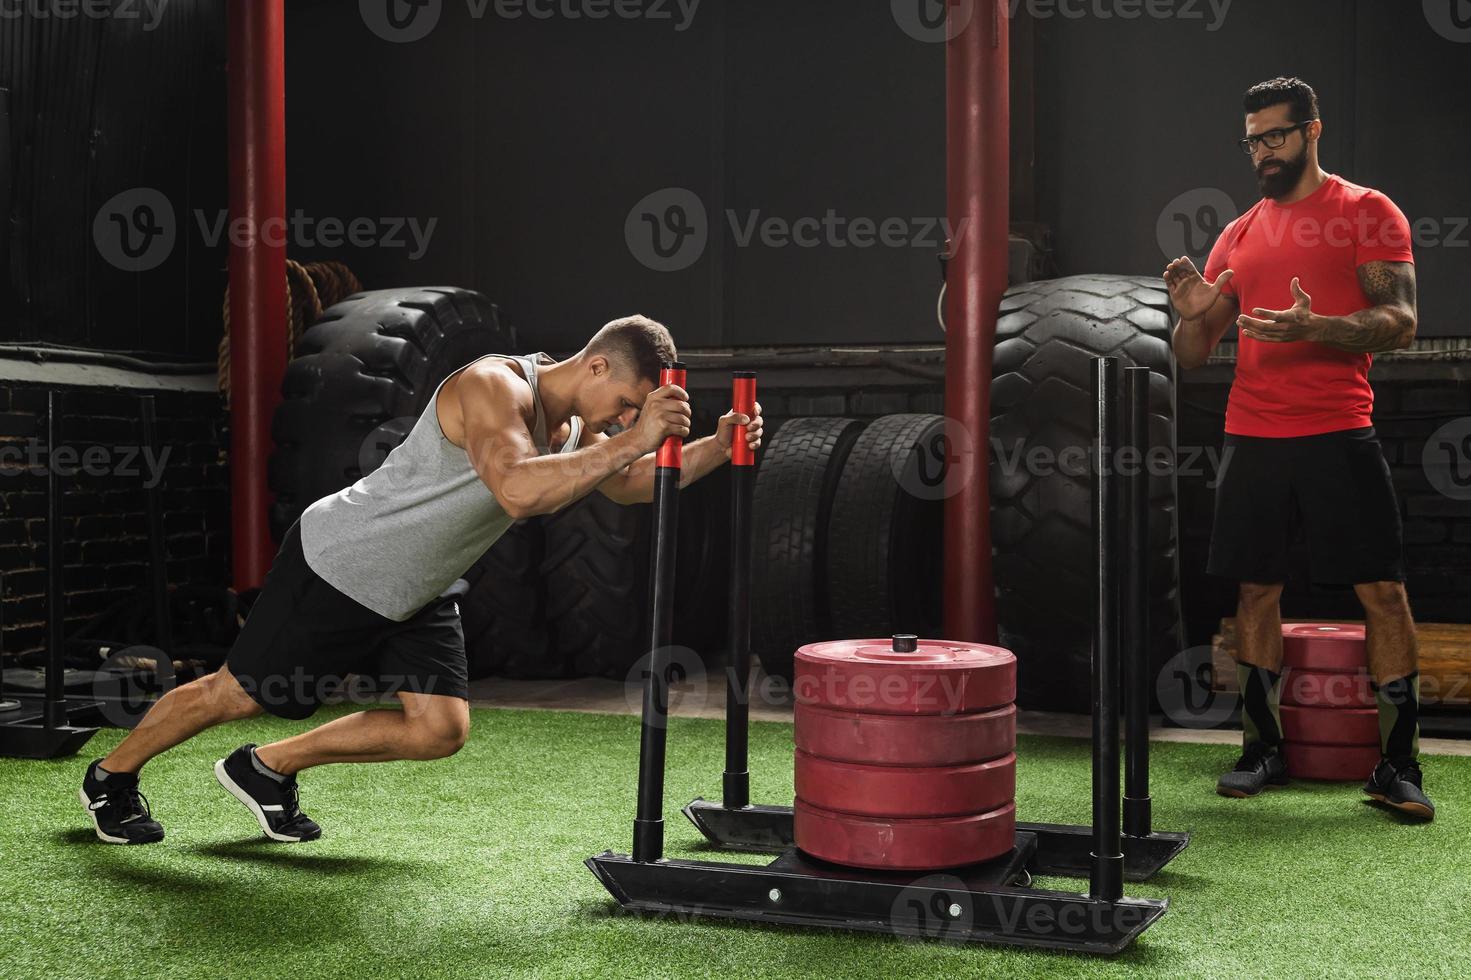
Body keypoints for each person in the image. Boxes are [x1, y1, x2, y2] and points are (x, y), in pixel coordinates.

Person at [78, 315, 764, 843]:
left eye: (633, 413)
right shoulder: (494, 386)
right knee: (236, 694)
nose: (626, 418)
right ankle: (110, 776)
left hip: (421, 586)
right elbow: (518, 491)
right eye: (627, 402)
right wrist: (636, 436)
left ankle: (265, 767)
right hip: (344, 564)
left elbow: (628, 483)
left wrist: (717, 445)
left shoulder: (577, 419)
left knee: (439, 728)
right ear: (597, 364)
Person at [1164, 77, 1431, 819]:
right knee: (1255, 591)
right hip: (1252, 435)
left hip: (1338, 429)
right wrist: (1188, 314)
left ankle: (1398, 763)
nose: (1262, 153)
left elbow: (1401, 320)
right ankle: (1261, 749)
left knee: (1382, 592)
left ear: (1312, 130)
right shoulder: (1238, 232)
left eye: (1274, 137)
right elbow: (1192, 352)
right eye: (1252, 141)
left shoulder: (1366, 211)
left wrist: (1317, 327)